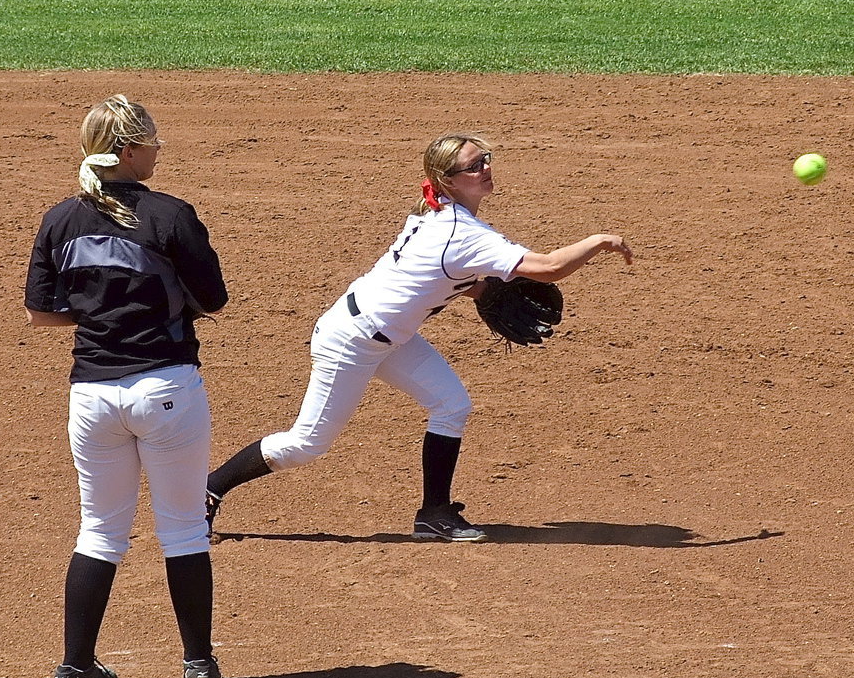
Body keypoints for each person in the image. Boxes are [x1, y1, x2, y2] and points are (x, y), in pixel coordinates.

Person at [205, 131, 632, 543]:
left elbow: (436, 275)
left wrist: (481, 289)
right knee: (305, 445)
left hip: (388, 334)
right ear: (448, 180)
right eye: (473, 165)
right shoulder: (461, 233)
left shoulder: (444, 218)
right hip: (352, 340)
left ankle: (435, 515)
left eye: (486, 160)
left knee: (451, 404)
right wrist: (598, 240)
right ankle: (207, 491)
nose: (485, 168)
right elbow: (550, 267)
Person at [24, 95, 229, 678]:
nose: (159, 152)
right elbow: (212, 299)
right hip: (166, 387)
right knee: (185, 528)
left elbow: (42, 312)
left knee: (99, 532)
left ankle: (75, 669)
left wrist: (99, 319)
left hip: (91, 396)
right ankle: (197, 666)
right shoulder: (169, 215)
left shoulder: (60, 219)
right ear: (133, 150)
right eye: (155, 143)